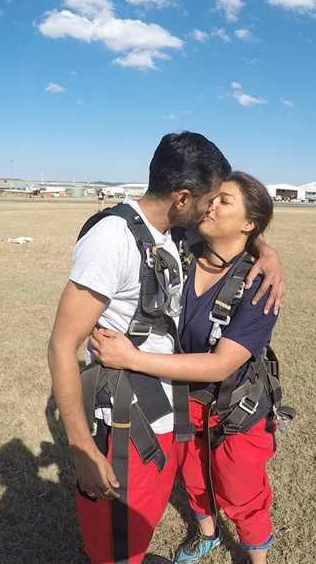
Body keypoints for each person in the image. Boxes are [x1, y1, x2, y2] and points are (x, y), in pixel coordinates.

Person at [47, 132, 285, 564]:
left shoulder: (179, 239)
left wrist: (266, 251)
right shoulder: (128, 239)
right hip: (129, 415)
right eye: (211, 198)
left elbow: (222, 358)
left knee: (166, 511)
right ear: (182, 197)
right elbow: (62, 345)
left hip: (185, 409)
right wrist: (81, 448)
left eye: (222, 201)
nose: (211, 208)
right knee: (121, 529)